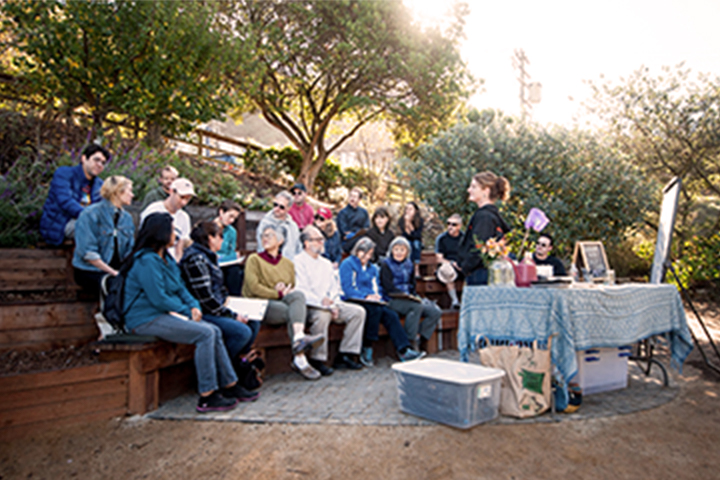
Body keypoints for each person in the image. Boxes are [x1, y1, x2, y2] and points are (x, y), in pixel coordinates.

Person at [123, 212, 258, 413]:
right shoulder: (146, 261)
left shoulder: (166, 258)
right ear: (160, 233)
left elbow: (180, 288)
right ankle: (207, 395)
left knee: (213, 329)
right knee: (205, 333)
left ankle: (229, 385)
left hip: (167, 314)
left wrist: (193, 306)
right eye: (172, 231)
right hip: (145, 318)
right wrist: (187, 311)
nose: (176, 235)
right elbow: (158, 298)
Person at [243, 224, 324, 380]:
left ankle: (299, 339)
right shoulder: (254, 259)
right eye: (263, 236)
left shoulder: (287, 264)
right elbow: (253, 288)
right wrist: (277, 292)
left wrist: (283, 290)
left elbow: (290, 287)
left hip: (279, 301)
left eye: (269, 235)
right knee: (291, 313)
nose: (264, 239)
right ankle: (300, 357)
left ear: (280, 240)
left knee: (298, 295)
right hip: (258, 304)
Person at [180, 221, 260, 367]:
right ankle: (223, 370)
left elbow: (219, 290)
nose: (222, 240)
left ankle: (238, 365)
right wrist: (232, 315)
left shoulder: (209, 256)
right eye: (220, 236)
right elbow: (206, 299)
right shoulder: (196, 259)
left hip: (218, 305)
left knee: (254, 319)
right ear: (210, 238)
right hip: (204, 312)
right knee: (241, 332)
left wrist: (234, 305)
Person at [339, 237, 425, 367]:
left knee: (391, 315)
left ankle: (404, 350)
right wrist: (366, 296)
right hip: (353, 299)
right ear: (357, 251)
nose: (367, 257)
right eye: (365, 253)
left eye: (369, 254)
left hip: (372, 301)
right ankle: (367, 347)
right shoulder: (348, 264)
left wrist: (377, 296)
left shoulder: (372, 268)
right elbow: (348, 289)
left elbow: (376, 286)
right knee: (374, 310)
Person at [294, 226, 366, 374]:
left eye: (322, 239)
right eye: (318, 239)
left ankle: (345, 354)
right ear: (306, 243)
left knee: (358, 312)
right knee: (322, 315)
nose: (322, 242)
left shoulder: (326, 263)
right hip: (310, 306)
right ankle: (317, 359)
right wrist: (324, 303)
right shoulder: (298, 261)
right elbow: (301, 290)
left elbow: (334, 287)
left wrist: (333, 303)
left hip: (330, 304)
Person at [71, 175, 135, 296]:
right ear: (118, 192)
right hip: (90, 270)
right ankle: (108, 314)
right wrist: (114, 273)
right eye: (130, 191)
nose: (132, 195)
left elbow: (129, 250)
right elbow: (88, 253)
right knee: (118, 285)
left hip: (116, 269)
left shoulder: (127, 218)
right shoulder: (90, 214)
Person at [380, 236, 441, 352]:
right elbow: (388, 288)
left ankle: (421, 336)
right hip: (392, 299)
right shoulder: (386, 264)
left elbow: (412, 284)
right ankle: (410, 341)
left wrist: (413, 296)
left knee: (435, 311)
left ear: (407, 252)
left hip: (409, 297)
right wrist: (404, 296)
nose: (398, 252)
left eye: (402, 250)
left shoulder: (409, 264)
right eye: (396, 249)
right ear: (391, 250)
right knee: (416, 307)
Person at [40, 144, 108, 245]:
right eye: (96, 160)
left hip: (86, 222)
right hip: (61, 223)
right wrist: (90, 217)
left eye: (103, 163)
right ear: (84, 158)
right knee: (99, 231)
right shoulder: (64, 174)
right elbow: (65, 201)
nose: (99, 165)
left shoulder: (99, 184)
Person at [458, 171, 511, 285]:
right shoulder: (491, 215)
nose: (469, 190)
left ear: (486, 191)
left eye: (473, 187)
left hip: (480, 275)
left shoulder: (484, 217)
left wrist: (465, 267)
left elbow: (478, 247)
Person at [140, 178, 195, 261]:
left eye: (187, 199)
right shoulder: (153, 210)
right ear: (171, 191)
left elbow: (180, 246)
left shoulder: (184, 217)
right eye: (181, 197)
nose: (183, 202)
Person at [255, 191, 302, 261]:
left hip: (288, 264)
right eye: (275, 204)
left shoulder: (293, 227)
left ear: (288, 208)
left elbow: (298, 249)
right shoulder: (265, 223)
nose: (277, 208)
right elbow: (261, 247)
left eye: (282, 207)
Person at [214, 200, 244, 295]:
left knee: (235, 271)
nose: (231, 220)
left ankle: (236, 298)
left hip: (225, 262)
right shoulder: (208, 227)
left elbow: (232, 250)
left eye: (234, 218)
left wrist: (234, 256)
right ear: (221, 212)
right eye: (230, 216)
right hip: (211, 262)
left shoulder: (232, 231)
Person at [435, 213, 464, 308]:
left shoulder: (464, 238)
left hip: (462, 265)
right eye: (448, 223)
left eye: (454, 224)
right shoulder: (442, 239)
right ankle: (455, 301)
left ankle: (466, 300)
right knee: (447, 270)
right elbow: (439, 258)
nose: (450, 226)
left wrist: (462, 264)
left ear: (459, 226)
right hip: (447, 266)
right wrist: (452, 263)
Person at [336, 187, 369, 253]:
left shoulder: (364, 212)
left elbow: (366, 228)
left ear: (359, 199)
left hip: (362, 239)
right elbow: (345, 232)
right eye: (351, 196)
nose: (352, 198)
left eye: (354, 197)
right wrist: (356, 233)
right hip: (347, 242)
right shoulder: (342, 213)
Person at [398, 202, 424, 268]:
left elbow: (415, 234)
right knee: (408, 244)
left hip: (417, 240)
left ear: (415, 211)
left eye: (410, 209)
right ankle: (408, 266)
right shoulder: (401, 220)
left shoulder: (420, 220)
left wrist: (409, 223)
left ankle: (416, 267)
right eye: (407, 209)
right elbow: (406, 234)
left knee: (416, 244)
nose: (408, 211)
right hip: (406, 239)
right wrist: (406, 222)